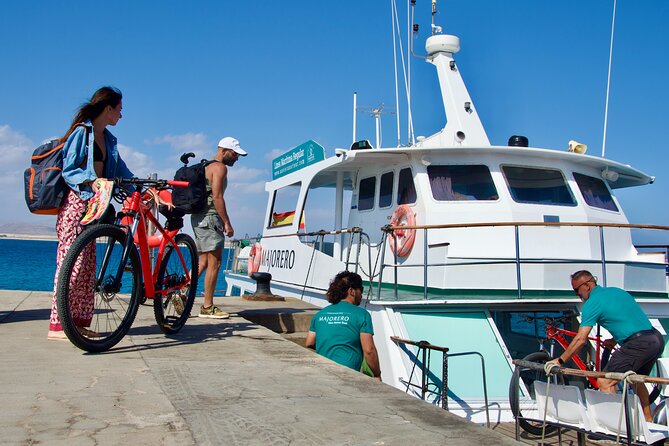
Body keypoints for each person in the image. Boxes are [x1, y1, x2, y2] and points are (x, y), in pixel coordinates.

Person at [48, 86, 135, 340]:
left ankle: (77, 324)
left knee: (87, 269)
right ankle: (59, 325)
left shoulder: (108, 139)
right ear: (108, 109)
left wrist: (141, 188)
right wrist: (92, 180)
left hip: (95, 207)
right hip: (77, 203)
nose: (120, 115)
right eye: (119, 110)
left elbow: (121, 171)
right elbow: (70, 168)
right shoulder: (82, 132)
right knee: (70, 266)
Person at [547, 270, 664, 421]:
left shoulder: (592, 303)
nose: (577, 294)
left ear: (587, 285)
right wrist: (615, 340)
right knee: (635, 380)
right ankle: (648, 421)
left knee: (605, 381)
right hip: (655, 338)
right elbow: (628, 319)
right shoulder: (617, 291)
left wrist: (560, 360)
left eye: (577, 290)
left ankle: (615, 429)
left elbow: (580, 339)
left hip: (639, 344)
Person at [192, 137, 246, 318]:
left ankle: (182, 292)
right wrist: (227, 223)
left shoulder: (206, 166)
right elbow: (217, 197)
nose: (236, 158)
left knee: (203, 261)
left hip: (198, 217)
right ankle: (207, 307)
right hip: (210, 217)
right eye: (234, 154)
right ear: (223, 150)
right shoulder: (219, 168)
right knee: (215, 263)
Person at [305, 271, 382, 380]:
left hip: (322, 372)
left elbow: (309, 342)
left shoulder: (320, 314)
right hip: (348, 375)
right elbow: (369, 350)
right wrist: (377, 374)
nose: (362, 295)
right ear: (352, 291)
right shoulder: (362, 314)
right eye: (361, 290)